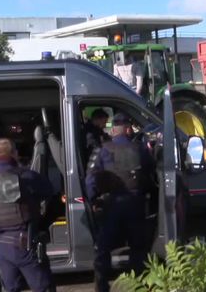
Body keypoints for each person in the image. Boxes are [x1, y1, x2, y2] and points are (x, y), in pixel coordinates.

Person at [0, 138, 55, 292]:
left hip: (0, 246)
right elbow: (48, 191)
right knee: (43, 287)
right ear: (15, 154)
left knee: (10, 288)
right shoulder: (27, 176)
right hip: (25, 243)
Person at [85, 113, 154, 292]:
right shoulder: (140, 148)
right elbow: (150, 174)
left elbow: (90, 180)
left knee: (103, 248)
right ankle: (137, 285)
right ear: (128, 129)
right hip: (135, 204)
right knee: (138, 248)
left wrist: (92, 200)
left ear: (113, 130)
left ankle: (102, 286)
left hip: (111, 205)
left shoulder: (102, 149)